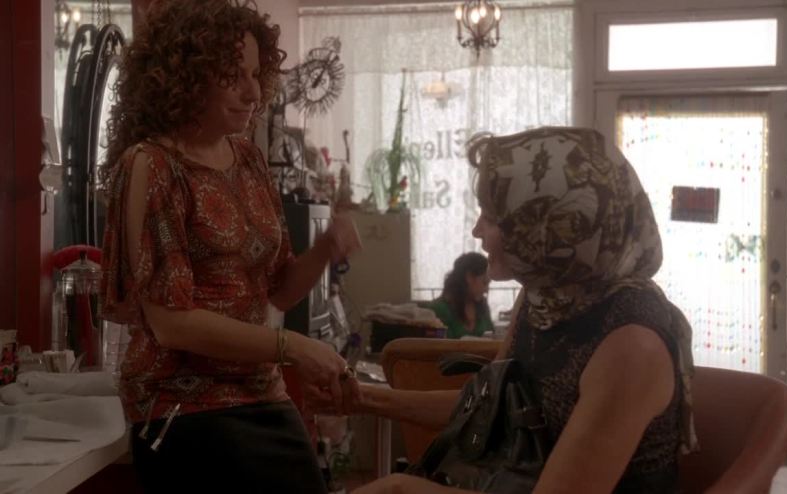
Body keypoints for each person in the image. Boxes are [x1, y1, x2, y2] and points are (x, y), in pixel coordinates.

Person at [340, 127, 697, 494]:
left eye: (491, 217)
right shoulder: (544, 297)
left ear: (552, 225)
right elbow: (485, 409)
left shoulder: (632, 344)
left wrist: (401, 489)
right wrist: (361, 397)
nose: (476, 230)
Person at [99, 1, 360, 492]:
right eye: (232, 75)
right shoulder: (153, 165)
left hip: (262, 393)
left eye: (256, 75)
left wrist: (325, 248)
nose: (253, 92)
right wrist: (293, 348)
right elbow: (172, 322)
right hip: (187, 413)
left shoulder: (248, 158)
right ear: (186, 76)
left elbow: (278, 290)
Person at [425, 252, 493, 339]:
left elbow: (492, 336)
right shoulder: (438, 309)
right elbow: (439, 344)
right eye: (485, 282)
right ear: (469, 277)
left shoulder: (483, 306)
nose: (486, 290)